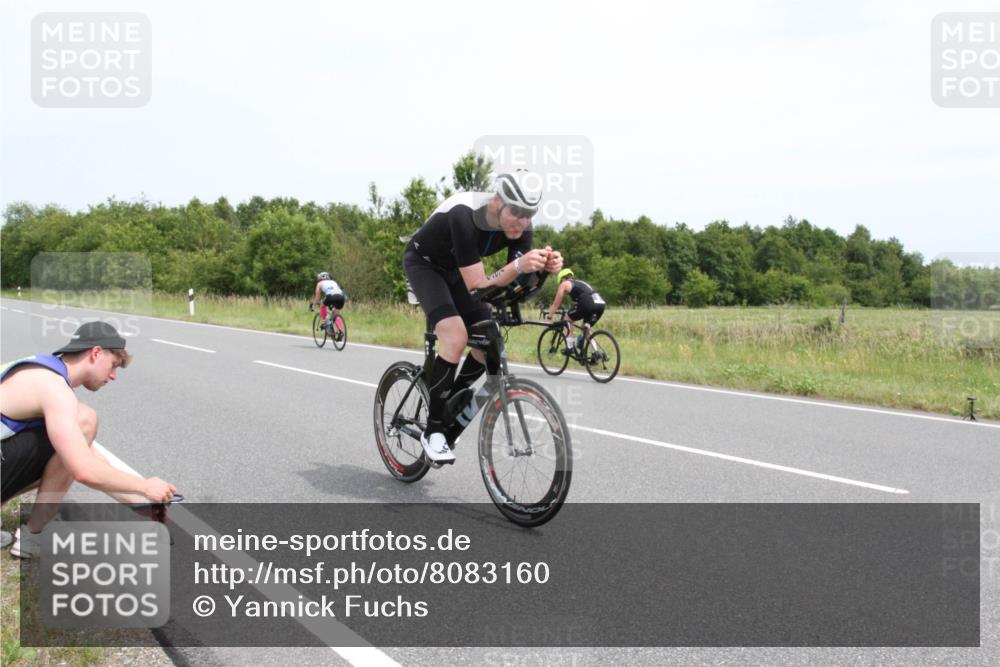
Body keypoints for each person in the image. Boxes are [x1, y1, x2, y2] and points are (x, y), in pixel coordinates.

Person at [404, 169, 563, 464]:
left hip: (456, 273)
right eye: (516, 211)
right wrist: (519, 266)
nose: (523, 221)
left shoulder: (521, 227)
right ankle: (434, 431)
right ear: (497, 201)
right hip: (425, 266)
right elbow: (478, 286)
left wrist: (540, 270)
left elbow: (517, 287)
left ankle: (450, 396)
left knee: (489, 340)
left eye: (530, 213)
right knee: (455, 336)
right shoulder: (465, 215)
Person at [0, 321, 176, 558]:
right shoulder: (54, 388)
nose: (113, 376)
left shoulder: (40, 369)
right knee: (85, 421)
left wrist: (141, 501)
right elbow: (83, 468)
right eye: (113, 365)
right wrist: (144, 486)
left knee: (75, 438)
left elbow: (87, 453)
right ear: (96, 353)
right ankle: (32, 536)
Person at [545, 268, 606, 353]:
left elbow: (556, 304)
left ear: (562, 279)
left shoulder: (564, 284)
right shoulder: (580, 283)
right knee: (585, 328)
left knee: (567, 319)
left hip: (588, 303)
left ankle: (570, 347)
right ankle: (596, 353)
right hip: (600, 304)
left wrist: (549, 317)